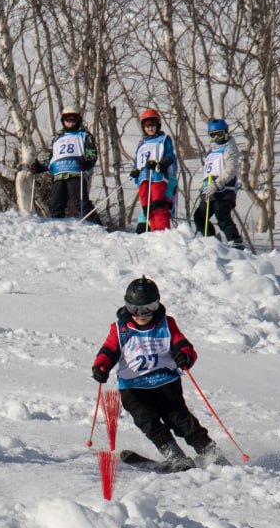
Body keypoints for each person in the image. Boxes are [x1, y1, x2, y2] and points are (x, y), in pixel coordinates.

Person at [90, 276, 227, 471]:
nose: (141, 314)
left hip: (165, 382)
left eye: (148, 308)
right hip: (133, 387)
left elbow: (183, 345)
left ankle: (210, 452)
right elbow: (109, 350)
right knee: (147, 422)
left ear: (157, 305)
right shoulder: (120, 329)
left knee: (180, 419)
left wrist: (185, 356)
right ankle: (175, 455)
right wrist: (101, 366)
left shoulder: (166, 324)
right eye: (134, 309)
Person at [30, 106, 99, 221]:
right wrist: (40, 166)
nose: (71, 123)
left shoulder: (84, 135)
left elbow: (92, 153)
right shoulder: (57, 137)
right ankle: (58, 228)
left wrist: (88, 162)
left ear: (79, 119)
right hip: (59, 174)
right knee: (56, 204)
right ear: (63, 120)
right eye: (68, 119)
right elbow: (49, 155)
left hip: (75, 172)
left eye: (74, 119)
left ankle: (96, 225)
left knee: (80, 201)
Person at [193, 119, 245, 250]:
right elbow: (208, 171)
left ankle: (235, 240)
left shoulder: (229, 149)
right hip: (209, 189)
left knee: (222, 215)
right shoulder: (211, 151)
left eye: (219, 134)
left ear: (226, 133)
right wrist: (203, 187)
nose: (216, 138)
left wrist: (217, 184)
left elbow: (231, 169)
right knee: (199, 216)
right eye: (213, 135)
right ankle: (210, 238)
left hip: (224, 189)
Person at [128, 109, 178, 232]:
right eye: (147, 126)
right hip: (144, 178)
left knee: (158, 203)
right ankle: (153, 231)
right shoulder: (142, 143)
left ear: (158, 125)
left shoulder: (164, 139)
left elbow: (169, 155)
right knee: (146, 206)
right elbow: (137, 160)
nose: (150, 128)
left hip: (157, 176)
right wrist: (135, 170)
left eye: (152, 125)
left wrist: (161, 164)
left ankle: (162, 230)